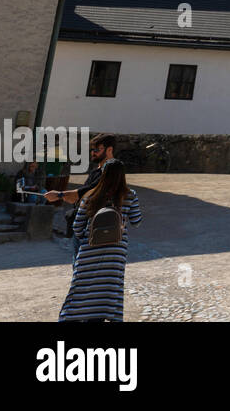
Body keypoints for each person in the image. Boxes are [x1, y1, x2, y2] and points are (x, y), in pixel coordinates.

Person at [59, 159, 141, 322]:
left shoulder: (90, 196)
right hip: (116, 252)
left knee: (82, 287)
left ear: (103, 175)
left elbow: (77, 227)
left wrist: (87, 239)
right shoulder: (130, 195)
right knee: (109, 288)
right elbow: (137, 221)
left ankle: (72, 317)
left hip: (90, 249)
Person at [47, 133, 116, 262]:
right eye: (92, 150)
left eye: (97, 150)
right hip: (83, 228)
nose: (93, 153)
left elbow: (87, 192)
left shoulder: (112, 170)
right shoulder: (98, 170)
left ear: (109, 150)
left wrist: (60, 195)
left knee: (86, 272)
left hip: (97, 230)